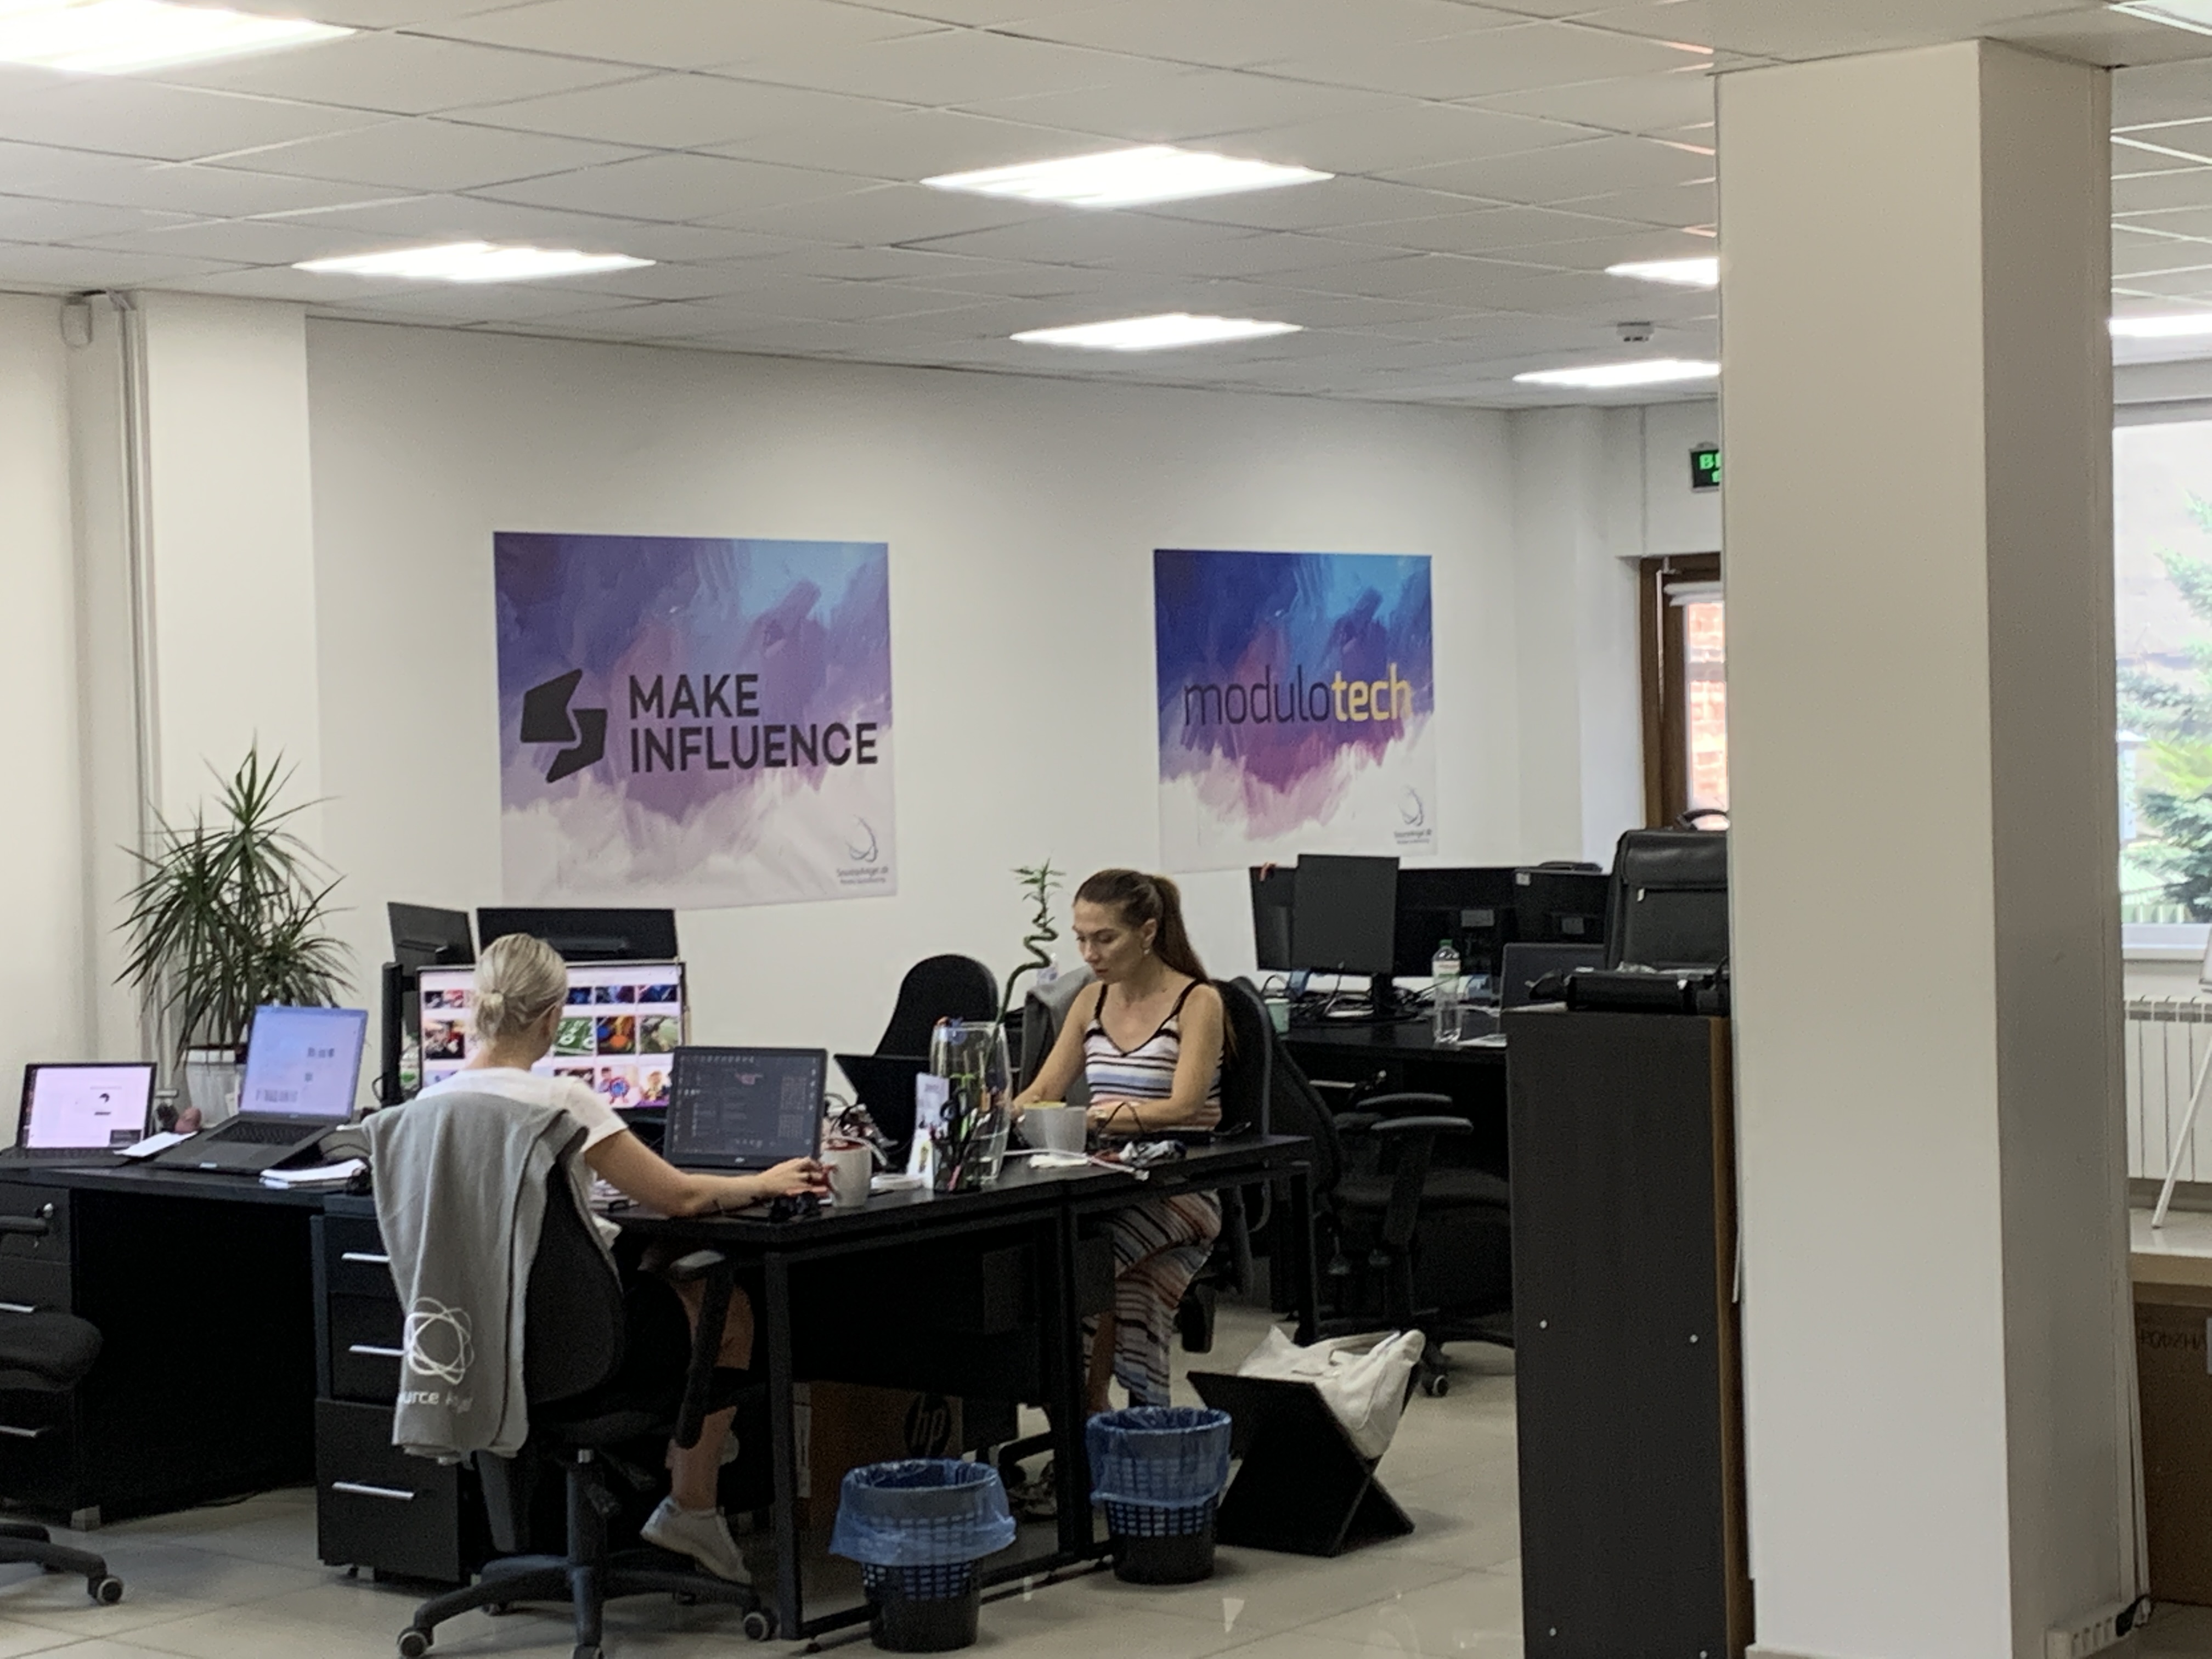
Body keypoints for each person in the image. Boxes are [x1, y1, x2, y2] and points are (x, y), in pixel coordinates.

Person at [419, 932, 825, 1584]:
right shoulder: (563, 1102)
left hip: (472, 1349)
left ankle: (688, 1456)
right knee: (729, 1308)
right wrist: (766, 1182)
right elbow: (681, 1196)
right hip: (576, 1349)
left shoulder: (424, 1110)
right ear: (553, 1018)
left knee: (662, 1259)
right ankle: (692, 1503)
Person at [1014, 868, 1225, 1411]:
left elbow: (1184, 1106)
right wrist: (995, 1111)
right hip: (1110, 1182)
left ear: (1148, 932)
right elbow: (1042, 1091)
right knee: (1078, 1262)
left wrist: (1096, 1118)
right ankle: (1098, 1414)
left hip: (1180, 1186)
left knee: (1083, 1270)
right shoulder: (1090, 1001)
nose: (1090, 953)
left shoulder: (1197, 1002)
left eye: (1105, 939)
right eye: (1081, 939)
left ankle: (1085, 1410)